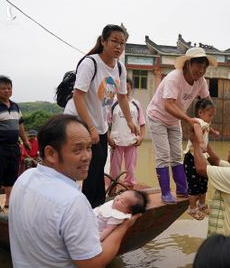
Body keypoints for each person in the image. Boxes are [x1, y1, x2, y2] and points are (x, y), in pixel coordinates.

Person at [9, 114, 139, 268]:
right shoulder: (73, 201)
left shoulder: (24, 178)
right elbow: (93, 263)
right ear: (51, 153)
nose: (87, 157)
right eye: (77, 150)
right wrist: (124, 226)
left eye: (89, 148)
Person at [64, 24, 139, 208]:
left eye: (122, 43)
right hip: (78, 122)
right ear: (103, 41)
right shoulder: (91, 63)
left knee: (98, 166)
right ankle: (81, 206)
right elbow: (78, 96)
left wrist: (130, 121)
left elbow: (122, 97)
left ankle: (94, 207)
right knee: (82, 167)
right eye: (114, 41)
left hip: (100, 124)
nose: (118, 47)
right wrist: (89, 128)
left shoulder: (120, 68)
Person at [146, 47, 217, 204]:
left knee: (177, 155)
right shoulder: (174, 78)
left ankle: (181, 189)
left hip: (174, 120)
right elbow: (168, 105)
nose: (201, 70)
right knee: (164, 155)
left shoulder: (201, 81)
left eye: (204, 67)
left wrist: (207, 124)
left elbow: (207, 101)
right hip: (157, 116)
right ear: (188, 64)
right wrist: (188, 119)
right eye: (198, 65)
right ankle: (165, 193)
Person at [0, 75, 31, 212]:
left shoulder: (15, 106)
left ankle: (9, 201)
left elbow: (20, 125)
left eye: (9, 88)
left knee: (11, 173)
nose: (7, 90)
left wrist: (25, 140)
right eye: (3, 88)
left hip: (13, 146)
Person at [183, 98, 219, 220]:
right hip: (191, 158)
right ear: (200, 113)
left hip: (201, 157)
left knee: (204, 181)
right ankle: (192, 208)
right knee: (194, 185)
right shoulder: (197, 121)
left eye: (213, 116)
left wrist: (214, 132)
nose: (211, 118)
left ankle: (202, 204)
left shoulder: (205, 123)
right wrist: (202, 142)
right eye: (210, 115)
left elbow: (209, 128)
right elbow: (197, 129)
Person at [108, 77, 145, 188]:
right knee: (114, 169)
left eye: (128, 88)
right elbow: (106, 123)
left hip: (132, 141)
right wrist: (109, 139)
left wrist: (141, 138)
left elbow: (142, 123)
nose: (125, 90)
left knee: (131, 168)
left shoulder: (136, 104)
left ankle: (130, 187)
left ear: (131, 88)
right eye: (123, 87)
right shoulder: (112, 103)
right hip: (116, 142)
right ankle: (113, 188)